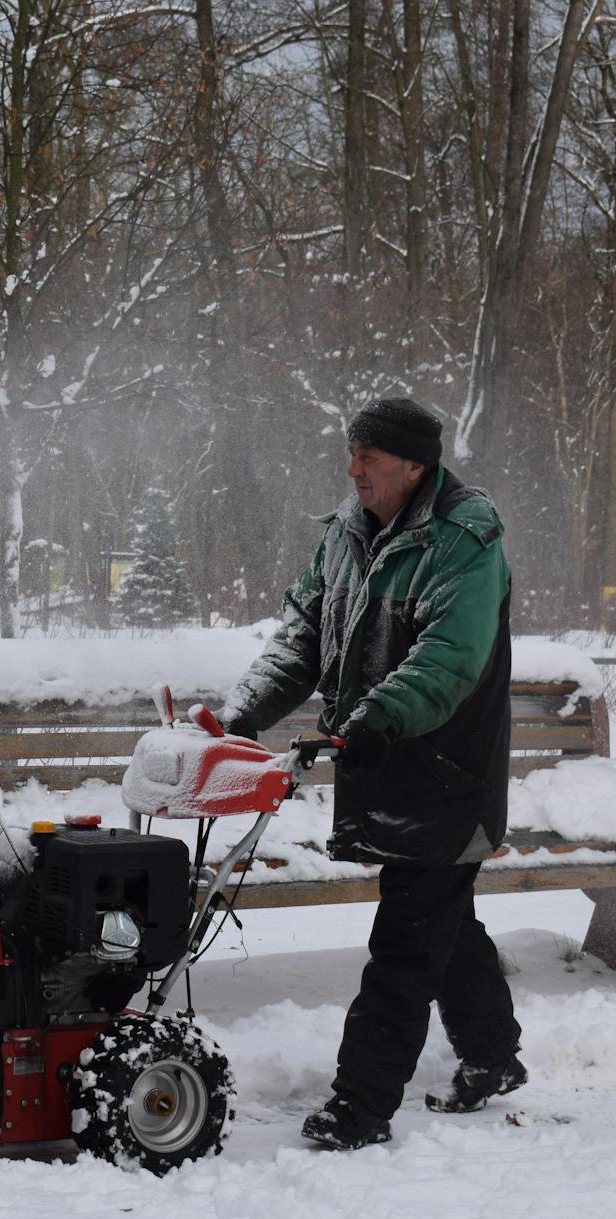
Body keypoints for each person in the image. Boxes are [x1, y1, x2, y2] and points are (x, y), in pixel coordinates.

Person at [216, 396, 525, 1150]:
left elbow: (449, 657)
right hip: (382, 759)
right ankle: (492, 1057)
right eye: (350, 453)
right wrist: (242, 713)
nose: (353, 469)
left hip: (447, 768)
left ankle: (361, 1103)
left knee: (407, 939)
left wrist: (375, 716)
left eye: (368, 457)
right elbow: (301, 636)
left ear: (413, 465)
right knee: (441, 919)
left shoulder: (463, 539)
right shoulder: (348, 536)